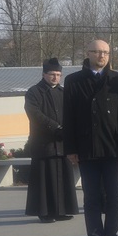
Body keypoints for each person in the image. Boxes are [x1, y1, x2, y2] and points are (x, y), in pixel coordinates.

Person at [63, 39, 118, 236]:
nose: (101, 56)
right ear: (88, 53)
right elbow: (68, 118)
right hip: (87, 148)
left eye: (105, 52)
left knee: (114, 197)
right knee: (91, 197)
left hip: (113, 148)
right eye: (97, 52)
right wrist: (71, 148)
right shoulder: (74, 81)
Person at [24, 58, 78, 223]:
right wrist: (55, 127)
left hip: (63, 143)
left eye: (58, 74)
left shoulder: (65, 92)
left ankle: (62, 210)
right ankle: (45, 212)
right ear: (44, 74)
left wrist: (68, 130)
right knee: (44, 179)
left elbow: (73, 114)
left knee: (63, 178)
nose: (55, 78)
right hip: (43, 143)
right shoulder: (34, 92)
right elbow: (34, 114)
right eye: (52, 74)